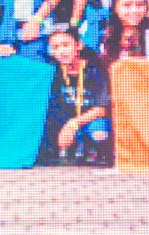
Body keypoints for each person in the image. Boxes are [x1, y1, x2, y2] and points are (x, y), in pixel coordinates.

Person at [38, 28, 110, 165]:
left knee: (100, 133)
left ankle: (95, 149)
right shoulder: (52, 71)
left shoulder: (96, 69)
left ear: (79, 45)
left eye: (66, 45)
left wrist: (73, 124)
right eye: (55, 47)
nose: (61, 51)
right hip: (63, 122)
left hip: (88, 121)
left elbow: (102, 109)